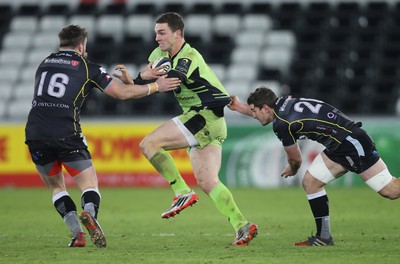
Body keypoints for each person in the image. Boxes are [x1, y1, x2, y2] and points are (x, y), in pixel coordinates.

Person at [24, 25, 181, 248]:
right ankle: (90, 215)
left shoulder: (45, 63)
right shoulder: (87, 67)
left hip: (35, 133)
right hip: (66, 133)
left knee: (57, 188)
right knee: (89, 185)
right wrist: (156, 86)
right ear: (81, 46)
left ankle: (77, 235)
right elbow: (120, 93)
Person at [114, 12, 258, 246]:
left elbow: (171, 79)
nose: (157, 38)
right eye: (155, 33)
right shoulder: (158, 54)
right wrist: (138, 78)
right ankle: (242, 225)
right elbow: (146, 79)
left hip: (204, 115)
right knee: (208, 181)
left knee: (148, 144)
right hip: (211, 121)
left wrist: (147, 79)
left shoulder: (189, 55)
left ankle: (181, 190)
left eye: (162, 33)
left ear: (177, 33)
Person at [228, 86, 400, 246]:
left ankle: (323, 237)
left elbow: (295, 159)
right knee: (311, 182)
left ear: (265, 108)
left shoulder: (282, 124)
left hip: (351, 144)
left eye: (254, 111)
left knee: (391, 191)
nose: (254, 115)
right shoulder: (284, 103)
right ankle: (324, 237)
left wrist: (292, 168)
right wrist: (238, 107)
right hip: (339, 143)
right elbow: (263, 112)